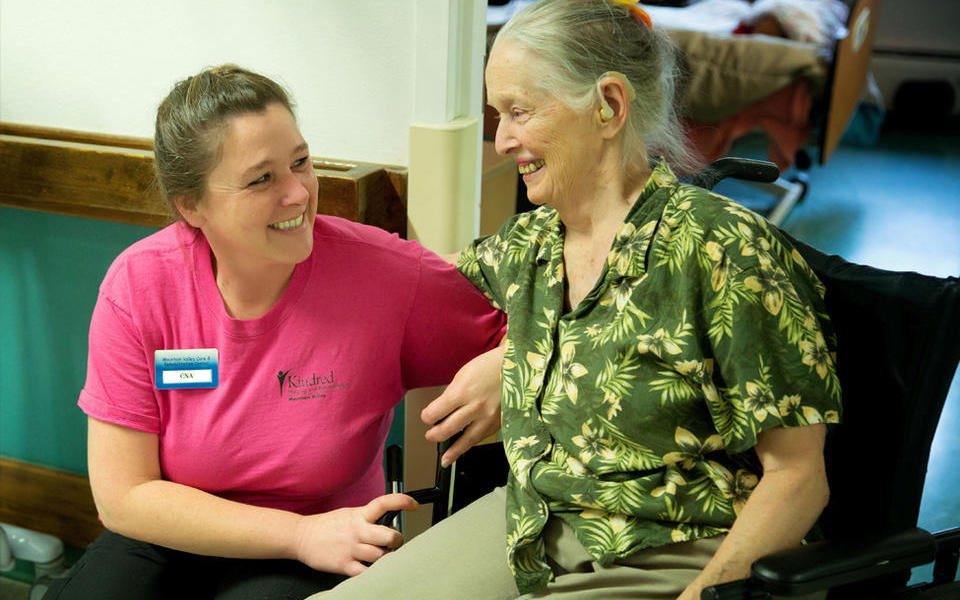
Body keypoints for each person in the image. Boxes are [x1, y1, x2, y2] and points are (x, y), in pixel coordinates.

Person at [311, 1, 841, 599]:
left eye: (520, 111)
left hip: (677, 545)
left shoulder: (725, 250)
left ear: (608, 106)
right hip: (536, 522)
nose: (503, 138)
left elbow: (798, 478)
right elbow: (394, 283)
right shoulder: (530, 244)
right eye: (498, 114)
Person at [43, 64, 506, 600]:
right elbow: (124, 495)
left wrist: (506, 362)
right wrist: (295, 534)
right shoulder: (139, 285)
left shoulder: (384, 278)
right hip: (175, 530)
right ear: (191, 206)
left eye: (301, 163)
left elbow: (550, 321)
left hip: (327, 537)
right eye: (262, 178)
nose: (299, 194)